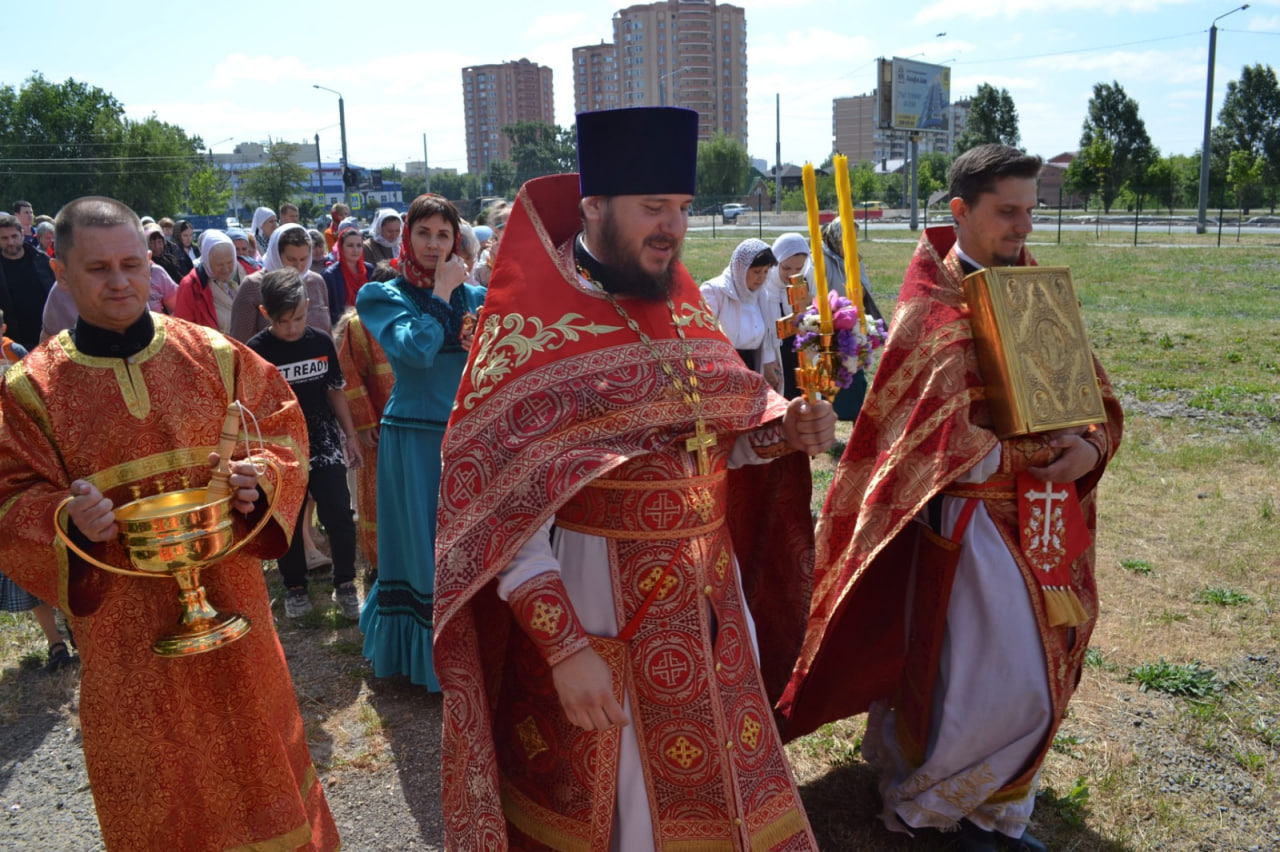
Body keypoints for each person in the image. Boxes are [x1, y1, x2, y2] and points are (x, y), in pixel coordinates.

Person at [433, 107, 834, 850]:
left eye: (680, 209)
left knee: (730, 795)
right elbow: (502, 518)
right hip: (600, 608)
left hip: (713, 601)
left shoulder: (681, 306)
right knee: (626, 813)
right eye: (653, 208)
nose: (672, 228)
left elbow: (717, 443)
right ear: (593, 207)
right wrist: (565, 649)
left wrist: (781, 435)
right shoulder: (525, 331)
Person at [778, 144, 1125, 852]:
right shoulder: (929, 305)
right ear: (962, 211)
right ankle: (931, 807)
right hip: (970, 528)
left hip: (1048, 520)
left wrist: (1088, 446)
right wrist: (1027, 455)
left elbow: (1096, 398)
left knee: (1047, 663)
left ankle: (996, 810)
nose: (1023, 227)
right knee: (988, 678)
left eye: (1030, 211)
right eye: (1007, 212)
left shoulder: (1038, 291)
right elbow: (928, 435)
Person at [0, 196, 339, 850]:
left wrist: (258, 479)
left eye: (131, 263)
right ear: (60, 268)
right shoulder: (31, 390)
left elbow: (282, 430)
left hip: (234, 607)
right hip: (123, 636)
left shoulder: (211, 352)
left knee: (261, 757)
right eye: (98, 268)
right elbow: (10, 496)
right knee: (156, 780)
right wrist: (66, 518)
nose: (120, 280)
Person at [356, 194, 485, 690]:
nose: (434, 244)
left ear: (456, 240)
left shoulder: (474, 297)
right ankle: (429, 661)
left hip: (465, 437)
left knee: (464, 543)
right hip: (413, 440)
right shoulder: (382, 294)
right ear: (407, 235)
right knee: (422, 545)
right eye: (424, 233)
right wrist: (444, 292)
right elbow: (417, 352)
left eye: (444, 235)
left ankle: (472, 647)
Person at [247, 268, 363, 619]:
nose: (294, 328)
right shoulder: (256, 352)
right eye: (284, 322)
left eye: (298, 318)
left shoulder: (321, 342)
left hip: (324, 439)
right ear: (266, 314)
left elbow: (335, 391)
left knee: (339, 513)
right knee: (288, 519)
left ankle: (345, 583)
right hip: (280, 447)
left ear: (308, 307)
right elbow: (253, 409)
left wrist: (351, 435)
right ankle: (294, 586)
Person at [333, 271, 395, 580]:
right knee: (375, 495)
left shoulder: (411, 320)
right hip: (377, 432)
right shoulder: (359, 327)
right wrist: (364, 422)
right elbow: (348, 376)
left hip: (413, 427)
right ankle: (379, 560)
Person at [817, 217, 883, 421]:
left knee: (856, 377)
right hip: (832, 327)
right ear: (837, 237)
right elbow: (821, 293)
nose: (851, 242)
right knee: (832, 380)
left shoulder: (855, 259)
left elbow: (866, 288)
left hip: (853, 325)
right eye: (847, 237)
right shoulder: (822, 259)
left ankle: (855, 423)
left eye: (854, 237)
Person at [699, 237, 780, 390]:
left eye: (765, 271)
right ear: (740, 268)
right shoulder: (714, 291)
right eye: (756, 272)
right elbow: (704, 337)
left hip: (752, 365)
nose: (762, 277)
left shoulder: (762, 295)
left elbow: (768, 334)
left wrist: (767, 363)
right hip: (722, 369)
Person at [229, 223, 331, 342]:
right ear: (276, 255)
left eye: (303, 259)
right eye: (291, 259)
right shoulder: (252, 286)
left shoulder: (316, 282)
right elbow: (240, 343)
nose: (298, 266)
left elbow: (328, 333)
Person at [760, 233, 812, 400]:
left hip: (801, 360)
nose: (792, 274)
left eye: (799, 269)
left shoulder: (805, 285)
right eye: (786, 268)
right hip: (775, 359)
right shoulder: (764, 289)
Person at [0, 212, 57, 350]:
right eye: (4, 238)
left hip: (47, 336)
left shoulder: (42, 260)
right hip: (12, 342)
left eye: (14, 236)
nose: (11, 242)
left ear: (22, 234)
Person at [174, 230, 241, 333]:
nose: (226, 269)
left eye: (230, 262)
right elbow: (183, 329)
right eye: (220, 265)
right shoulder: (191, 286)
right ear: (207, 261)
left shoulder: (243, 273)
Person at [322, 219, 374, 326]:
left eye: (359, 245)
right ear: (341, 247)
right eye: (350, 245)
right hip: (342, 328)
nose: (355, 250)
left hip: (369, 325)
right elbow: (329, 309)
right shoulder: (330, 275)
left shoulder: (370, 270)